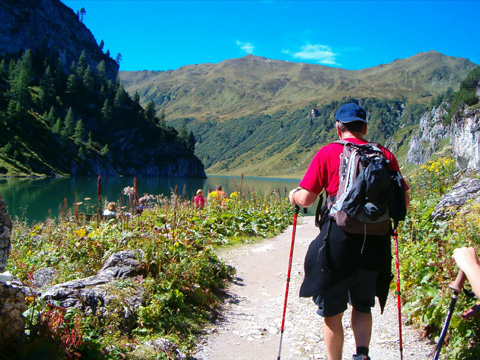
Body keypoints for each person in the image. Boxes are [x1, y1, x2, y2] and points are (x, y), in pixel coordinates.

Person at [288, 103, 410, 360]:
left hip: (339, 241)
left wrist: (293, 196)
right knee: (363, 305)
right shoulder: (385, 155)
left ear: (338, 127)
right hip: (376, 239)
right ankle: (362, 355)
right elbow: (403, 199)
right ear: (365, 127)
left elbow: (308, 198)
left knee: (333, 310)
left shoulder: (329, 152)